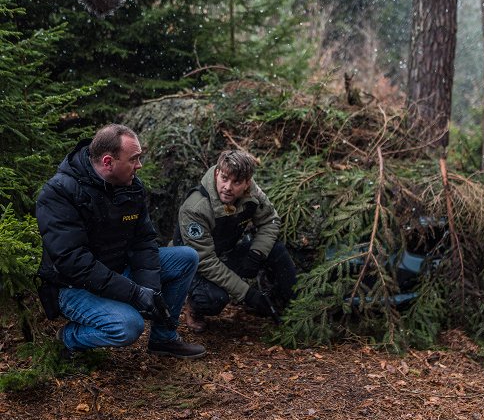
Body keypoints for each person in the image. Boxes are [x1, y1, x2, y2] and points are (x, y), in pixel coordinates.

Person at [36, 123, 206, 359]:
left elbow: (144, 240)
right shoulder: (59, 193)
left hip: (117, 271)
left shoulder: (131, 187)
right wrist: (135, 294)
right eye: (134, 159)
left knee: (186, 257)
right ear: (108, 162)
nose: (139, 165)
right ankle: (68, 337)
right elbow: (73, 263)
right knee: (128, 326)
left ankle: (163, 339)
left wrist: (150, 290)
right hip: (72, 287)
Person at [175, 149, 296, 332]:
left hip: (225, 253)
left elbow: (270, 220)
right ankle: (193, 306)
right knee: (214, 298)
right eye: (224, 178)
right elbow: (205, 261)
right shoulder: (197, 207)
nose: (228, 187)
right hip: (192, 264)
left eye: (237, 182)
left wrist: (256, 254)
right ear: (217, 173)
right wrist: (248, 294)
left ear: (247, 183)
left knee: (275, 250)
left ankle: (294, 306)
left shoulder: (252, 193)